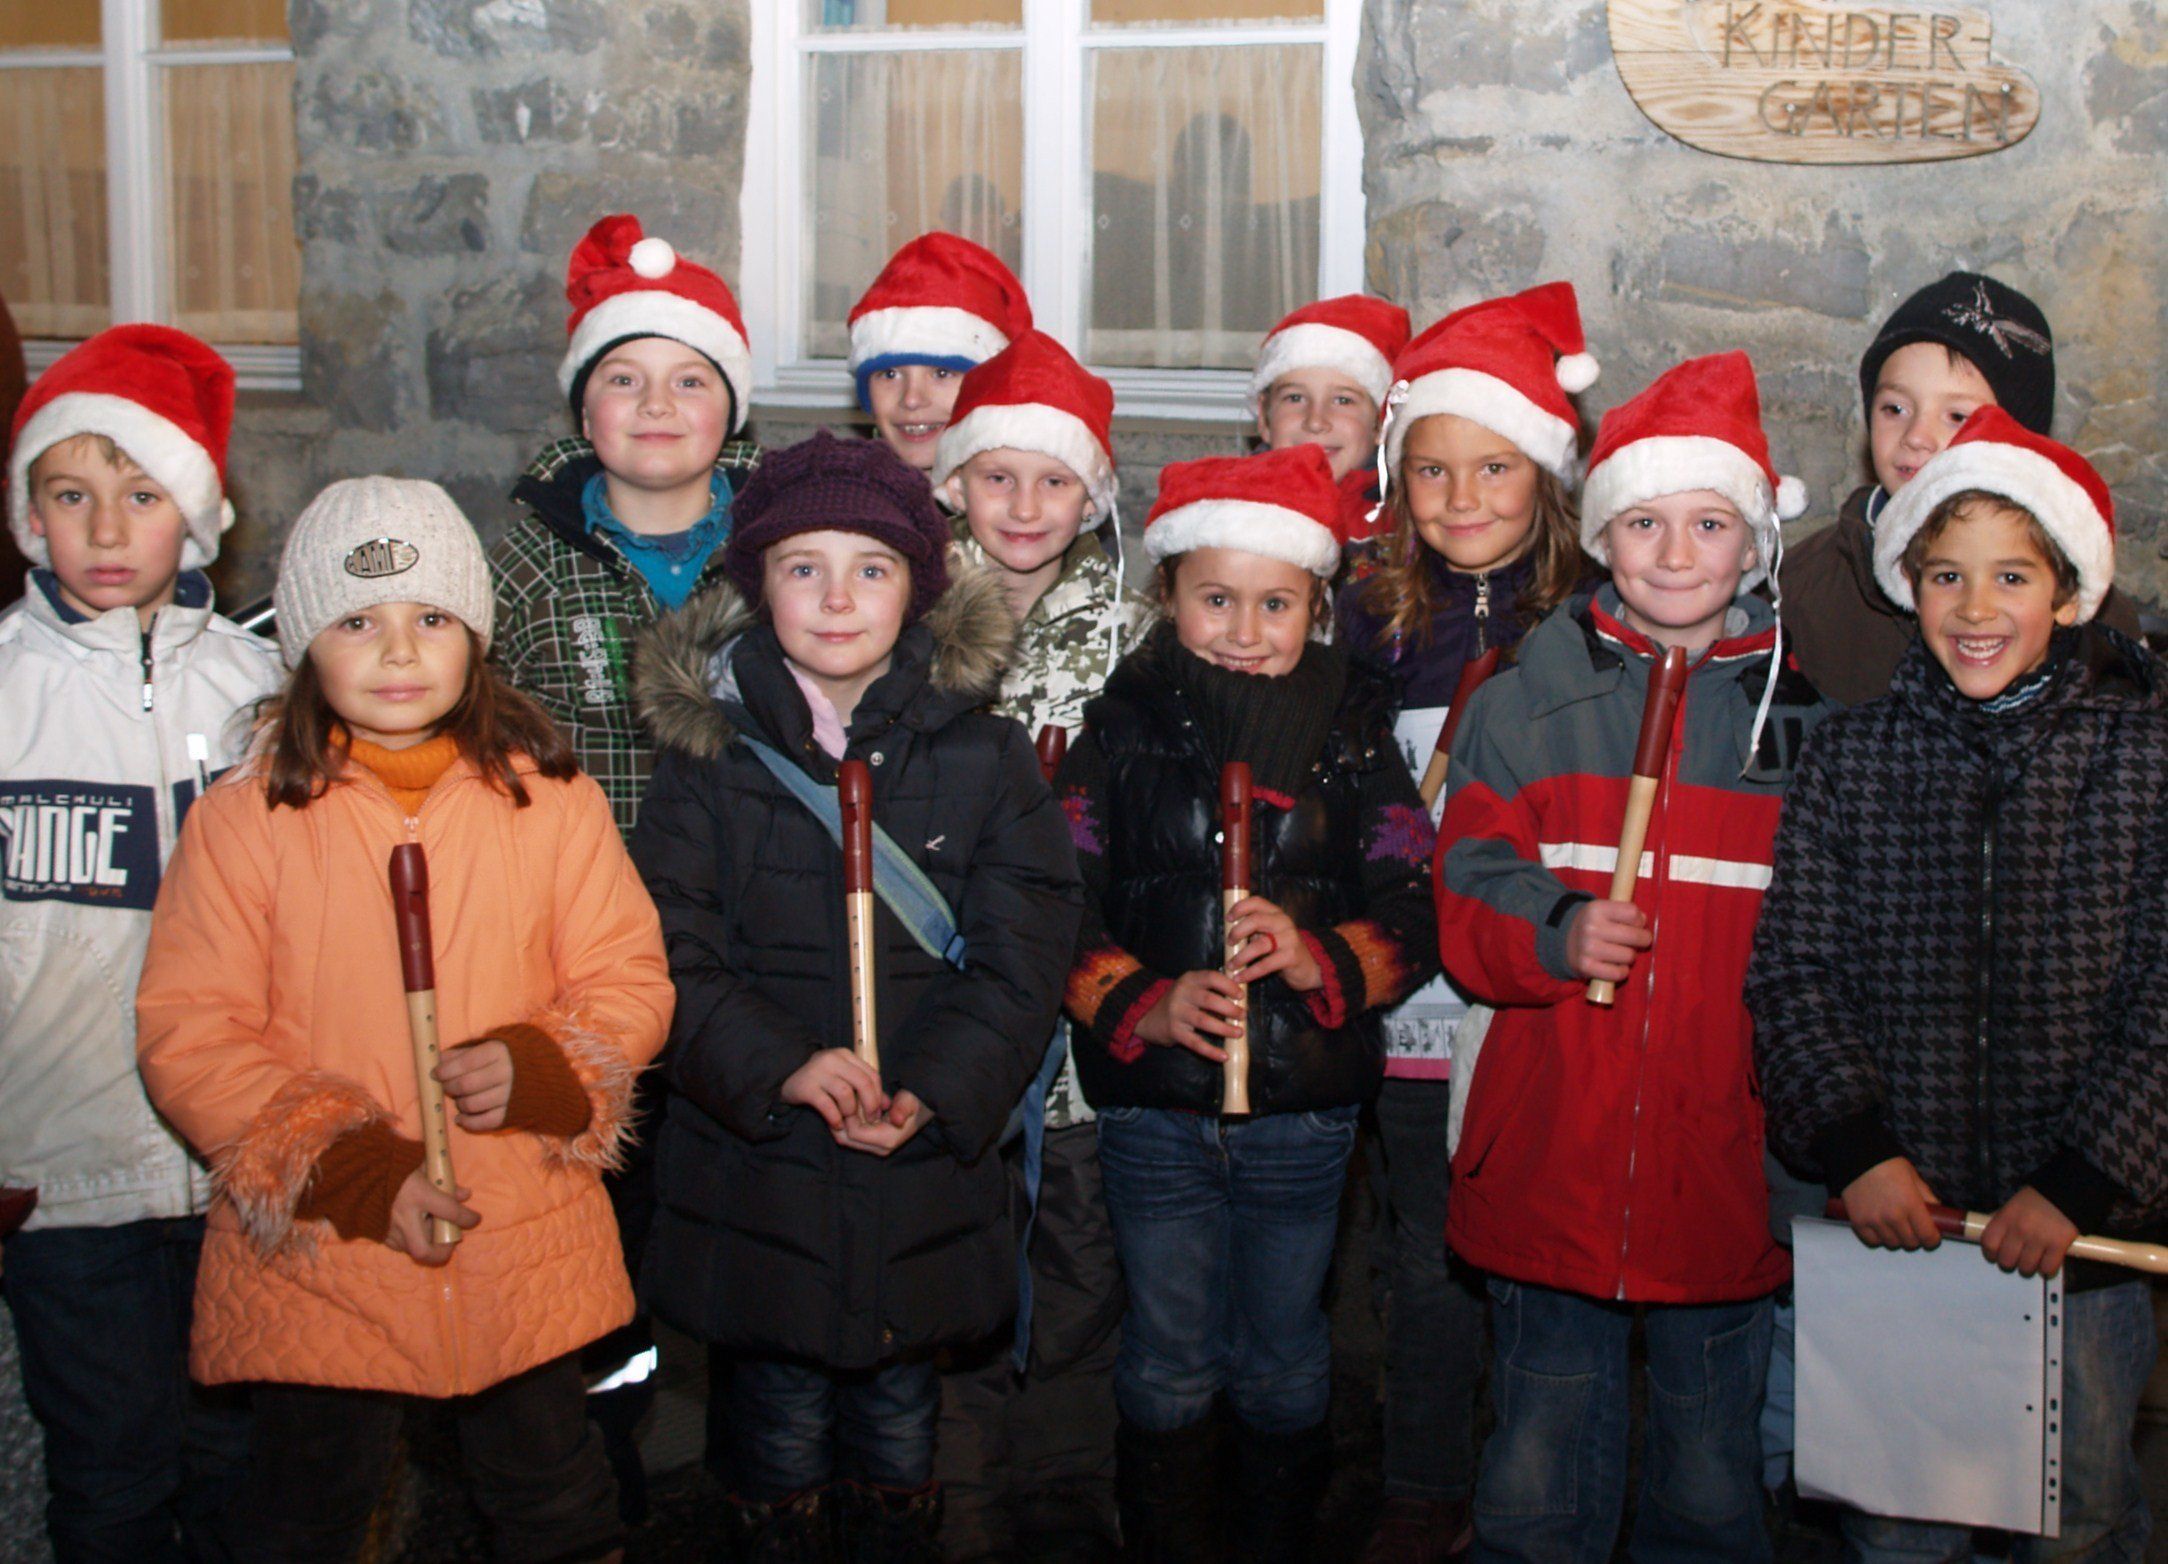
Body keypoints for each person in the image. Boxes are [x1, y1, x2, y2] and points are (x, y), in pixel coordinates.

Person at [134, 476, 672, 1562]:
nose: (397, 651)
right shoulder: (246, 821)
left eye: (430, 617)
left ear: (475, 636)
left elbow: (627, 974)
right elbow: (192, 1028)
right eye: (356, 621)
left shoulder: (550, 798)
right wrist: (345, 1166)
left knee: (555, 1499)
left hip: (519, 1226)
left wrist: (546, 1065)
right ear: (304, 644)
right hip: (326, 1245)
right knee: (308, 1509)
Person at [630, 431, 1082, 1559]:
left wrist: (937, 1087)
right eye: (804, 567)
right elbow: (667, 948)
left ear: (918, 589)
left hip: (918, 1172)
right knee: (772, 1432)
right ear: (757, 584)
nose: (837, 598)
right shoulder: (706, 762)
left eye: (870, 568)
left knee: (898, 1428)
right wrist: (782, 1064)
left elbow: (1025, 952)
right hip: (761, 1170)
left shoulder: (984, 759)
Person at [1748, 407, 2162, 1561]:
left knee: (2076, 1521)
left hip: (2077, 1248)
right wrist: (1856, 1148)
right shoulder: (1850, 758)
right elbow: (1793, 972)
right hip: (1902, 1235)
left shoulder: (2141, 759)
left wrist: (2077, 1181)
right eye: (1945, 575)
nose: (1975, 608)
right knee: (1897, 1522)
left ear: (2066, 595)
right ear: (1909, 587)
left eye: (2010, 576)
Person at [1437, 352, 1831, 1563]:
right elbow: (1465, 888)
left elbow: (1826, 947)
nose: (1672, 553)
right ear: (1601, 535)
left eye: (1707, 524)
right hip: (1551, 1150)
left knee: (1710, 1482)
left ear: (1751, 543)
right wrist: (1555, 930)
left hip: (1719, 1167)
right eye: (1644, 521)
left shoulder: (1800, 730)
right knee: (1535, 1474)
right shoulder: (1520, 704)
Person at [1059, 446, 1440, 1562]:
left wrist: (1321, 959)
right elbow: (1053, 900)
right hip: (1154, 1106)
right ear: (1168, 594)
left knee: (1281, 1356)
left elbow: (1415, 901)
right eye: (1214, 599)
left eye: (1275, 603)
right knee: (1169, 1354)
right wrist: (1139, 1000)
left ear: (1316, 606)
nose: (1241, 628)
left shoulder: (1354, 734)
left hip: (1302, 1110)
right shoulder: (1117, 729)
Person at [490, 212, 762, 1510]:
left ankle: (759, 1458)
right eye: (624, 377)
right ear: (584, 406)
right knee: (609, 1207)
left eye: (689, 378)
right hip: (585, 949)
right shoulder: (523, 558)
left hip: (752, 940)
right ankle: (608, 1453)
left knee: (751, 1201)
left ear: (730, 406)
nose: (657, 406)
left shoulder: (783, 543)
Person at [0, 325, 278, 1561]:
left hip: (240, 1172)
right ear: (30, 516)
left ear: (200, 517)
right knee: (108, 1473)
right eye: (72, 496)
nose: (107, 530)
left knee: (235, 1469)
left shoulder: (264, 697)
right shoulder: (6, 694)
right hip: (62, 1173)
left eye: (143, 496)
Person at [1332, 281, 1597, 1564]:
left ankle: (1541, 1488)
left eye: (1494, 465)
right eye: (1431, 468)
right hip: (1408, 1002)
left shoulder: (1590, 620)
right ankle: (1423, 1480)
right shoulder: (1365, 618)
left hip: (1537, 988)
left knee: (1542, 1247)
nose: (1460, 495)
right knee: (1427, 1249)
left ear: (1544, 473)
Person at [925, 328, 1136, 1560]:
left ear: (1090, 494)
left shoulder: (1132, 633)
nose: (1021, 505)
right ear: (953, 480)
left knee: (1078, 1256)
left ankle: (1065, 1485)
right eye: (996, 476)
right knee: (955, 1258)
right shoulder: (902, 616)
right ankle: (958, 1495)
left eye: (1052, 480)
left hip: (1079, 1024)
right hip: (945, 1011)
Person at [1780, 270, 2138, 706]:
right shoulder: (1803, 584)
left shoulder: (2092, 612)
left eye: (1957, 417)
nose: (1916, 436)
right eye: (1894, 408)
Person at [849, 232, 1033, 477]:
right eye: (890, 374)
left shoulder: (1032, 496)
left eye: (942, 373)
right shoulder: (843, 492)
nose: (912, 399)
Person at [1247, 294, 1411, 548]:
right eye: (1295, 398)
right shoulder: (1234, 517)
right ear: (1264, 418)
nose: (1315, 422)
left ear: (1381, 423)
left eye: (1343, 401)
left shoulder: (1406, 527)